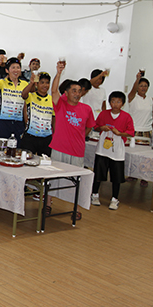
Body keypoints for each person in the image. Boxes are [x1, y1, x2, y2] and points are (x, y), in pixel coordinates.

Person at [48, 61, 96, 215]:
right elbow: (54, 90)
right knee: (53, 177)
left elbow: (89, 126)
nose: (77, 93)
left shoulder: (86, 109)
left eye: (79, 91)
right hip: (59, 148)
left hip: (77, 150)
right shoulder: (61, 105)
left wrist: (80, 136)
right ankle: (48, 203)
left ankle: (76, 208)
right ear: (67, 93)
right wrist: (58, 73)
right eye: (74, 90)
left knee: (76, 180)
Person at [91, 91, 134, 210]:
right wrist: (101, 128)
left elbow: (131, 132)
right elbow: (95, 127)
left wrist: (119, 133)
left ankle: (115, 198)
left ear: (123, 104)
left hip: (117, 150)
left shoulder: (126, 116)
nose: (115, 104)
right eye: (113, 101)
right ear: (109, 102)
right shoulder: (104, 114)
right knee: (98, 173)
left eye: (118, 102)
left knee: (116, 177)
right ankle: (94, 194)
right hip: (102, 149)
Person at [0, 56, 28, 142]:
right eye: (13, 67)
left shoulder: (25, 84)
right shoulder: (2, 82)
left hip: (19, 121)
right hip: (4, 121)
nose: (16, 70)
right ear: (7, 70)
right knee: (3, 146)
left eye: (18, 67)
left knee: (17, 146)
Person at [20, 72, 55, 156]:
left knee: (44, 162)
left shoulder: (52, 99)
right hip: (30, 137)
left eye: (47, 83)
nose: (45, 85)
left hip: (46, 138)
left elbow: (54, 118)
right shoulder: (31, 96)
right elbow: (23, 95)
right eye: (42, 82)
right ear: (37, 84)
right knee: (26, 160)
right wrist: (31, 82)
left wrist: (54, 135)